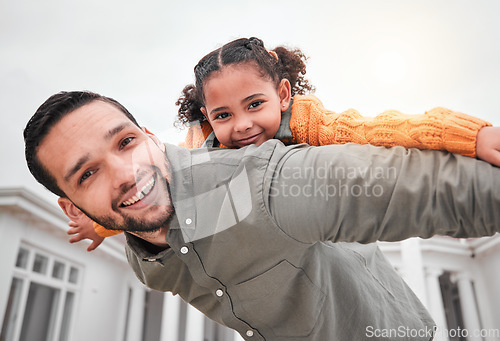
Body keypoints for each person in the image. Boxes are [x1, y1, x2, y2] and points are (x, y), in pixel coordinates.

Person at [24, 90, 500, 340]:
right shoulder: (146, 260)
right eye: (87, 175)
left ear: (149, 136)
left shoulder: (258, 184)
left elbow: (423, 190)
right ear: (71, 206)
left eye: (126, 142)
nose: (125, 173)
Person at [70, 37, 499, 248]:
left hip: (319, 215)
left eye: (254, 104)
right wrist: (103, 224)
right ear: (207, 117)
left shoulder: (314, 124)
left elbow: (383, 128)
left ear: (283, 95)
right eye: (223, 115)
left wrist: (471, 135)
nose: (241, 125)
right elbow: (155, 192)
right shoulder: (202, 148)